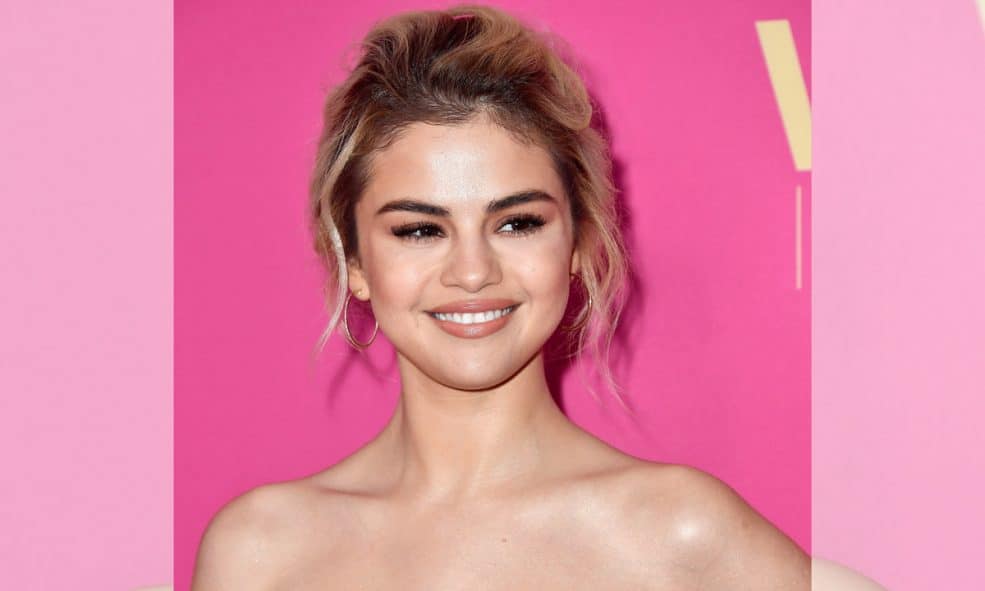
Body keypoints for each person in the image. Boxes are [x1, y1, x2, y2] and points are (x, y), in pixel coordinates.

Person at [192, 5, 809, 589]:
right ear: (354, 262)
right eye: (420, 230)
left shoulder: (680, 535)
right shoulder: (259, 551)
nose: (472, 272)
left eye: (517, 223)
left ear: (577, 242)